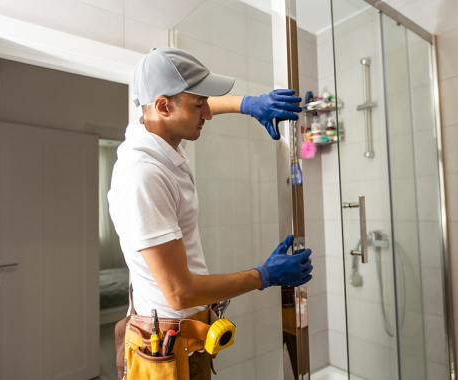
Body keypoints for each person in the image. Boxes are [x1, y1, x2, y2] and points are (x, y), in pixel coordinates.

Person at [108, 47, 313, 379]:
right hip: (170, 350)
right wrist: (266, 275)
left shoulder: (159, 135)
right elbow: (180, 292)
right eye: (198, 105)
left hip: (187, 338)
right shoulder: (143, 176)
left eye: (204, 103)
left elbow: (192, 104)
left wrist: (249, 105)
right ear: (162, 106)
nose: (206, 114)